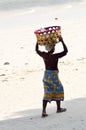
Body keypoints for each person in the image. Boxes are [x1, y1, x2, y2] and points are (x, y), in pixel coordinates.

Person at [35, 36, 68, 117]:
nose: (54, 49)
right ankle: (58, 108)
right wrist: (62, 41)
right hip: (54, 75)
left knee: (47, 92)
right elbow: (65, 51)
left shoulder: (44, 55)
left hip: (46, 75)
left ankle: (44, 111)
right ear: (52, 48)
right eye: (53, 47)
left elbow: (36, 50)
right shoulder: (55, 56)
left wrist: (38, 41)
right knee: (58, 89)